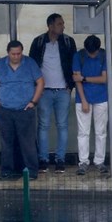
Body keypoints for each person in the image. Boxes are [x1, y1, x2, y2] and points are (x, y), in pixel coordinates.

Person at [0, 40, 44, 180]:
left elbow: (40, 82)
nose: (16, 56)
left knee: (28, 143)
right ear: (8, 53)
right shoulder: (0, 64)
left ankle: (31, 171)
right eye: (13, 54)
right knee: (7, 143)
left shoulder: (30, 63)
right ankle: (7, 171)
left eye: (19, 53)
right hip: (5, 109)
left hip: (25, 109)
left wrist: (33, 101)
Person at [29, 13, 77, 173]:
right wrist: (36, 87)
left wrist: (70, 86)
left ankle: (60, 159)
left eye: (62, 23)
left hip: (63, 90)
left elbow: (73, 64)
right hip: (44, 91)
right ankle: (43, 159)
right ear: (50, 26)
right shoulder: (39, 42)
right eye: (59, 24)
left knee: (62, 125)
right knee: (43, 125)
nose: (63, 26)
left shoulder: (68, 42)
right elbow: (32, 65)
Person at [72, 34, 109, 176]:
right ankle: (83, 162)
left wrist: (84, 78)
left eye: (94, 53)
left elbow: (104, 79)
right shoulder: (78, 56)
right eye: (90, 53)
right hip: (84, 98)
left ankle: (99, 161)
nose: (92, 55)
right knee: (83, 132)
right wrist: (84, 100)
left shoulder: (104, 55)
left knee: (101, 131)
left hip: (101, 97)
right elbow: (76, 80)